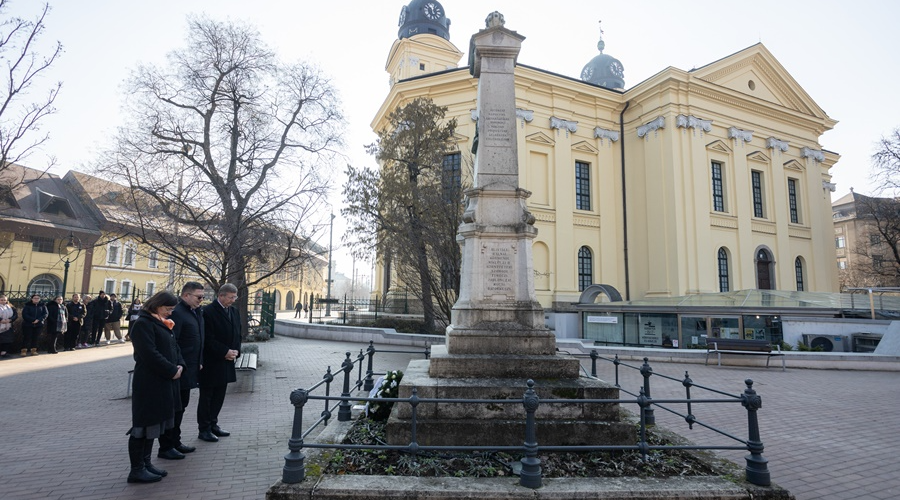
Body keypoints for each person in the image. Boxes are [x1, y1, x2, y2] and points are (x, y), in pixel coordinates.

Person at [126, 291, 183, 484]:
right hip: (149, 382)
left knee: (154, 424)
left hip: (162, 381)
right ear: (157, 305)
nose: (170, 313)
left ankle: (146, 463)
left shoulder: (160, 323)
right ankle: (136, 469)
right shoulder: (143, 324)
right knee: (143, 425)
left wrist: (179, 365)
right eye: (168, 308)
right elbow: (149, 353)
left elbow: (174, 347)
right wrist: (170, 370)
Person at [157, 282, 205, 460]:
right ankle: (166, 445)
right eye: (199, 297)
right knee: (174, 409)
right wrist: (177, 366)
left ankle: (175, 441)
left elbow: (198, 340)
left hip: (190, 367)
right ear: (186, 295)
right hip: (179, 369)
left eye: (203, 297)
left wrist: (199, 361)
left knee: (181, 407)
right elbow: (171, 343)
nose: (201, 300)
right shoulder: (177, 313)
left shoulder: (195, 312)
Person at [197, 283, 241, 442]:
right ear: (221, 296)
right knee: (207, 397)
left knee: (219, 396)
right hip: (212, 362)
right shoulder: (208, 312)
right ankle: (204, 428)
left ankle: (214, 424)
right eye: (230, 297)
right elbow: (207, 338)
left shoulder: (234, 311)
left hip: (228, 360)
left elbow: (237, 333)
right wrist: (224, 352)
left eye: (235, 297)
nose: (233, 300)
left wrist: (236, 351)